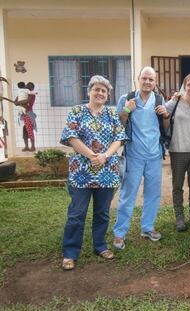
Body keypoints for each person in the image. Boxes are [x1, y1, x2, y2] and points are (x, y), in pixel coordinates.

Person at [60, 75, 126, 270]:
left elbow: (119, 138)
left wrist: (104, 156)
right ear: (89, 91)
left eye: (104, 91)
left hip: (107, 170)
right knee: (76, 213)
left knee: (102, 213)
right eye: (96, 89)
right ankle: (70, 253)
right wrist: (92, 156)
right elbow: (71, 137)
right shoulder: (77, 112)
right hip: (81, 171)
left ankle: (100, 246)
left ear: (107, 95)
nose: (100, 93)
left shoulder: (112, 114)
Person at [113, 67, 169, 249]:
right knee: (128, 194)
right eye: (144, 78)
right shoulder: (127, 98)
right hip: (134, 155)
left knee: (153, 194)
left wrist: (166, 115)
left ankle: (147, 227)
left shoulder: (159, 100)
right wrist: (126, 111)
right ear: (138, 79)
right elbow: (118, 125)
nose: (147, 82)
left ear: (155, 82)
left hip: (154, 155)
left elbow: (166, 127)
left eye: (151, 80)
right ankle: (120, 233)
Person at [164, 73, 190, 231]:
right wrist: (167, 108)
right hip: (178, 150)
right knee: (177, 186)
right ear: (184, 86)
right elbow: (163, 116)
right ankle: (179, 217)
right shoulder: (175, 102)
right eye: (189, 85)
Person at [15, 81, 37, 151]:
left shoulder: (32, 95)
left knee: (29, 130)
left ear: (32, 88)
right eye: (27, 85)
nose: (27, 86)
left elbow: (26, 101)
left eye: (30, 86)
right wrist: (18, 102)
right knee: (24, 130)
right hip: (23, 114)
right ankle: (26, 146)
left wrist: (19, 102)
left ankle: (33, 146)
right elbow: (15, 102)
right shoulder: (22, 93)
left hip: (28, 114)